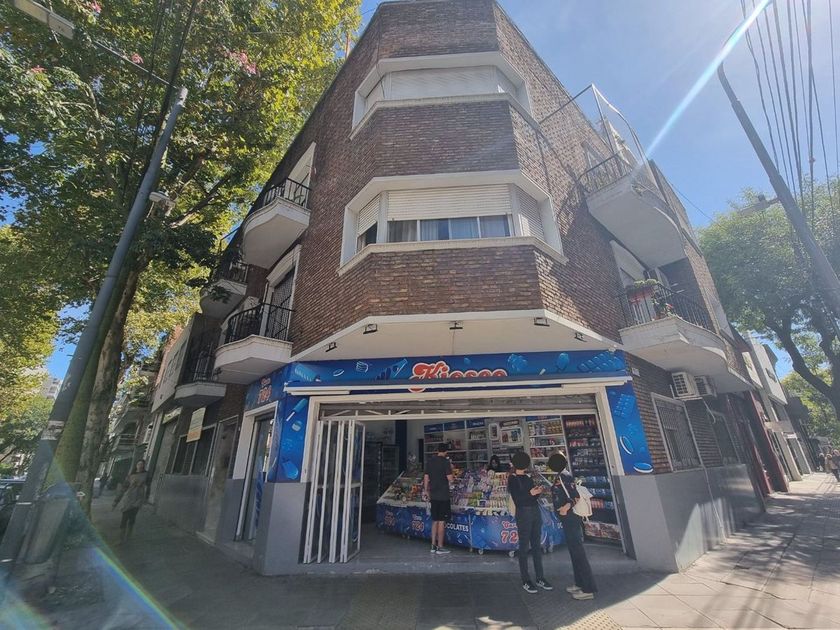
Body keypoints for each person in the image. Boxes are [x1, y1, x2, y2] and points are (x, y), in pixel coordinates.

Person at [549, 452, 597, 600]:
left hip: (571, 518)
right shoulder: (561, 475)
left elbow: (575, 496)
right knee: (573, 552)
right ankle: (579, 583)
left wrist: (566, 507)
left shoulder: (565, 476)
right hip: (567, 519)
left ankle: (588, 588)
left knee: (578, 552)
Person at [508, 451, 553, 594]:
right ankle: (526, 579)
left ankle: (540, 577)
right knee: (523, 546)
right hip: (523, 513)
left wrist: (537, 492)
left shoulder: (528, 478)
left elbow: (531, 498)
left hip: (535, 511)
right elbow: (518, 500)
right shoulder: (512, 479)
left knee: (536, 545)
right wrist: (530, 493)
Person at [423, 443, 454, 554]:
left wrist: (426, 490)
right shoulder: (446, 462)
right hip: (443, 495)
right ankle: (440, 547)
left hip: (433, 495)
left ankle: (433, 545)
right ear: (446, 452)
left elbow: (426, 477)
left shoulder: (430, 461)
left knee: (434, 520)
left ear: (437, 450)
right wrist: (452, 471)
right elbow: (450, 479)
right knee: (441, 521)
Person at [113, 459, 148, 543]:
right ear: (136, 465)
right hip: (128, 499)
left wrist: (145, 498)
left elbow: (148, 486)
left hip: (138, 500)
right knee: (124, 519)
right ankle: (121, 539)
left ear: (144, 466)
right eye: (139, 464)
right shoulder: (130, 475)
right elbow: (124, 488)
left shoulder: (146, 475)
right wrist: (116, 500)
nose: (140, 466)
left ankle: (128, 537)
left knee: (132, 519)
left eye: (142, 464)